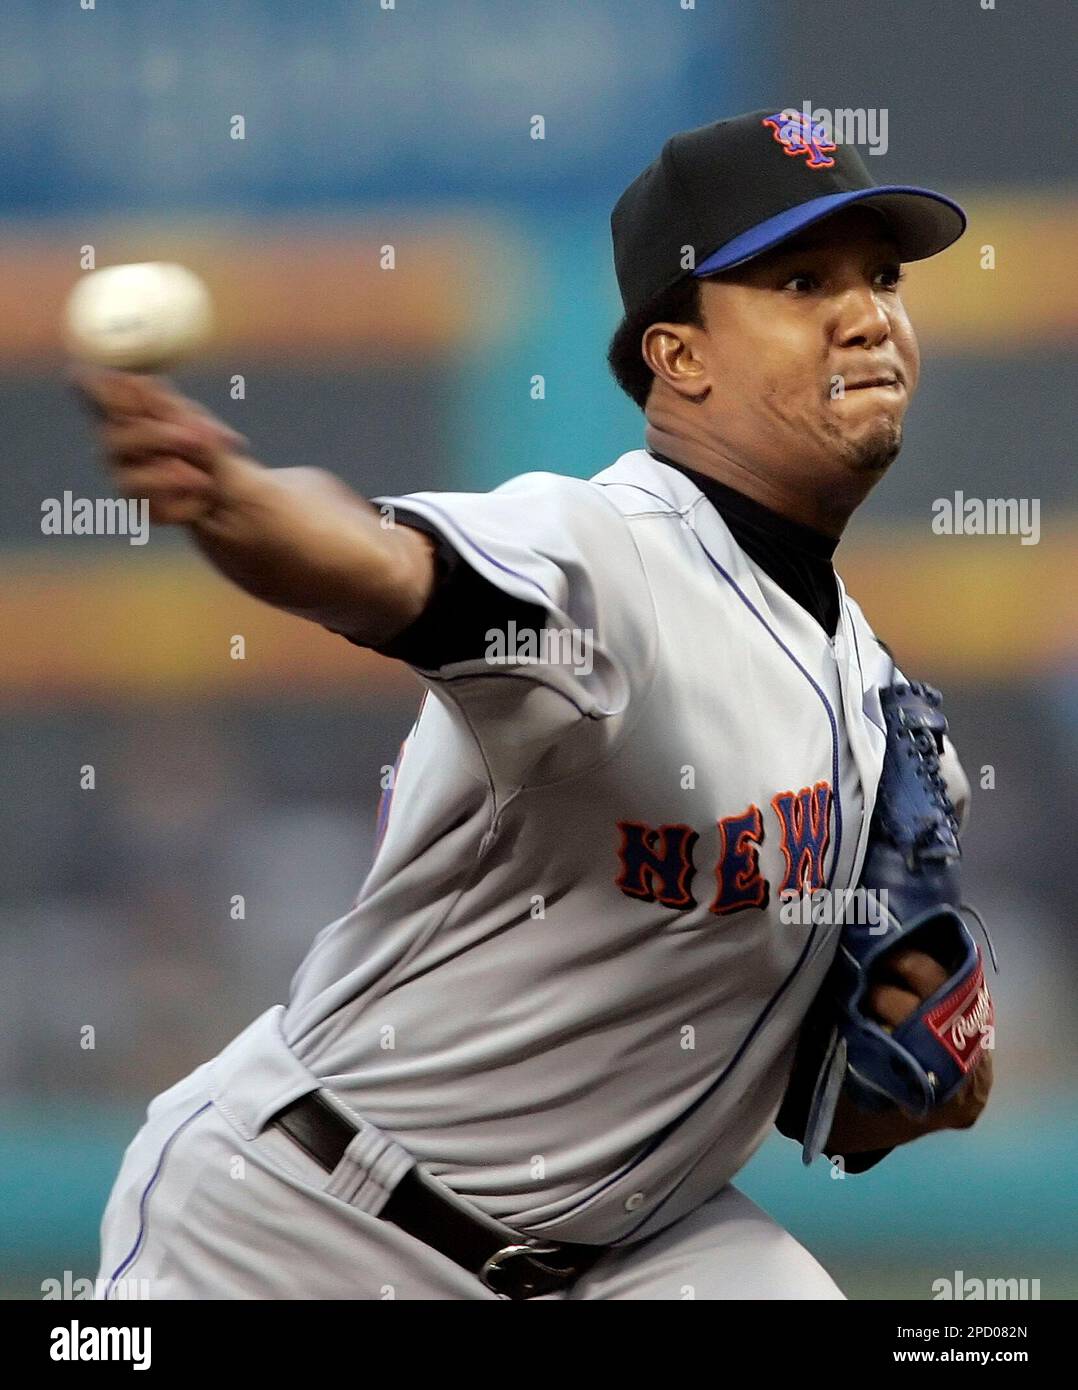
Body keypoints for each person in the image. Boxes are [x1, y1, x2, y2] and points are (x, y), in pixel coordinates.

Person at [85, 109, 992, 1301]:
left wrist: (926, 1067)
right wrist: (235, 501)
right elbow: (390, 566)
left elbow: (844, 1097)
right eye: (800, 280)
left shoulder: (875, 707)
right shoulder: (609, 556)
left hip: (636, 1253)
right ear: (681, 357)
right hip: (300, 1229)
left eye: (880, 276)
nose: (867, 312)